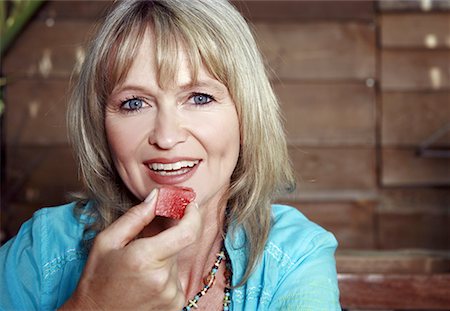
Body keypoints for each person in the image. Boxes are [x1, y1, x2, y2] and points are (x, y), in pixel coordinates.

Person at [0, 0, 341, 310]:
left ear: (245, 114)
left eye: (199, 98)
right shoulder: (42, 248)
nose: (166, 137)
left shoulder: (295, 255)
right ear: (100, 126)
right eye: (134, 103)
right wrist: (92, 305)